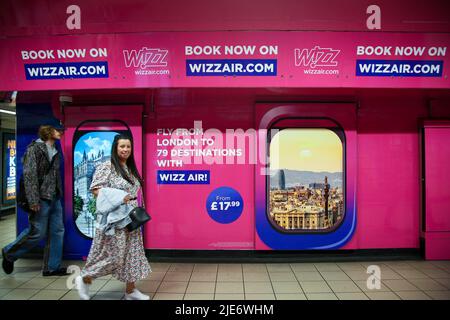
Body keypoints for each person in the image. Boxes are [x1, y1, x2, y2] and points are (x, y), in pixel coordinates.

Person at [76, 134, 151, 300]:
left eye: (128, 147)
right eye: (122, 146)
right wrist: (120, 197)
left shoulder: (130, 168)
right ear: (115, 148)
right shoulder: (107, 166)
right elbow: (96, 189)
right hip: (114, 219)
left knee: (132, 253)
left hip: (130, 217)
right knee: (113, 255)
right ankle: (85, 278)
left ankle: (130, 291)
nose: (125, 150)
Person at [2, 119, 68, 277]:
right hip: (40, 198)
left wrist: (58, 192)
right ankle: (9, 253)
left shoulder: (55, 149)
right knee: (37, 232)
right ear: (48, 130)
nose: (61, 132)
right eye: (57, 129)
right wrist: (33, 200)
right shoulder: (34, 149)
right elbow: (29, 176)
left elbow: (54, 175)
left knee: (57, 231)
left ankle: (52, 267)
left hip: (54, 197)